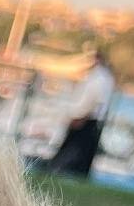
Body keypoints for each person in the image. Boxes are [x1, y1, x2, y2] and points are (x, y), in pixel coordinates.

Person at [41, 47, 117, 180]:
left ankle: (62, 170)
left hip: (87, 119)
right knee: (78, 149)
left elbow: (94, 101)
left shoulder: (100, 78)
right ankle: (62, 170)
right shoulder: (99, 76)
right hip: (85, 117)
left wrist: (81, 117)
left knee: (77, 149)